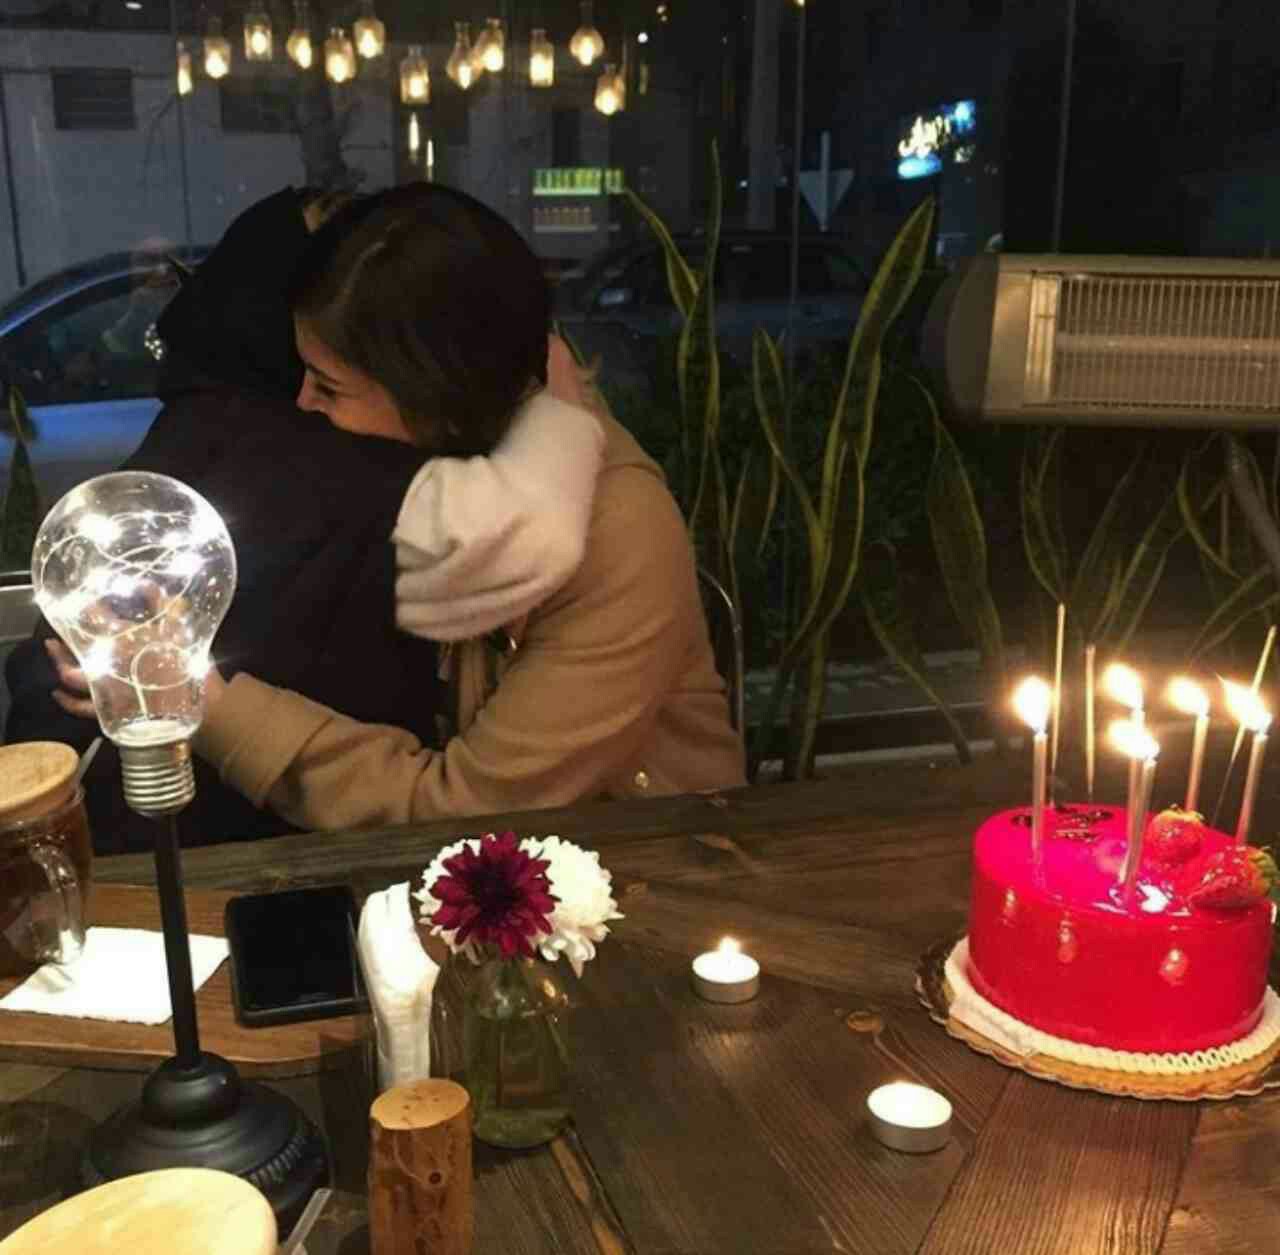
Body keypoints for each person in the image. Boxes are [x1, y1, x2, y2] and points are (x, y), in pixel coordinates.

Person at [52, 182, 745, 830]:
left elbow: (469, 805)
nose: (302, 405)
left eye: (328, 387)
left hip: (647, 861)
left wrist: (207, 705)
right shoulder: (445, 469)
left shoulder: (619, 532)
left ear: (438, 399)